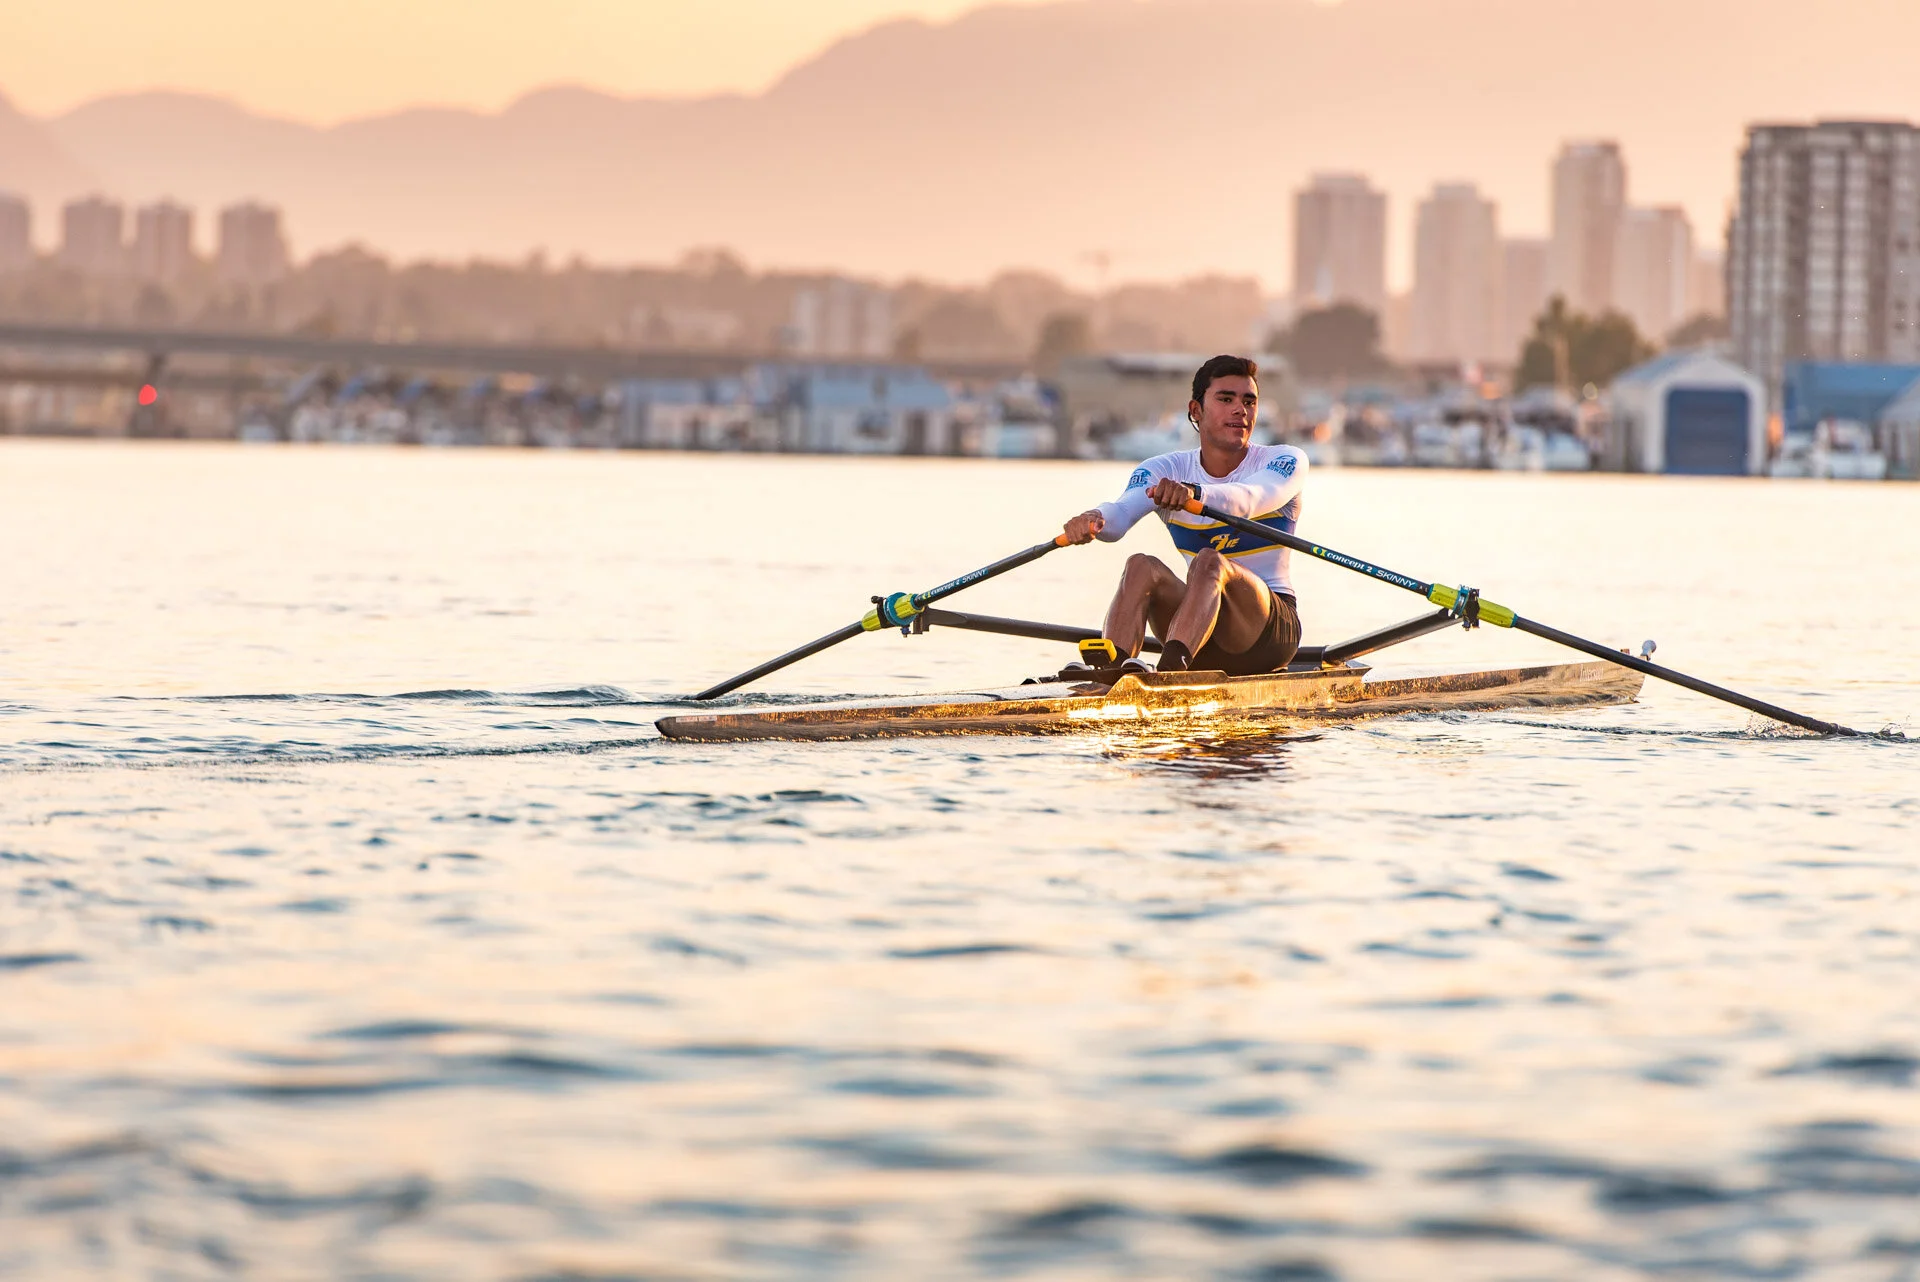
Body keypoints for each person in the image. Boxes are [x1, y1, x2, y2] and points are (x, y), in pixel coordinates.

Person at [1061, 354, 1306, 675]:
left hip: (1268, 634)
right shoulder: (1164, 468)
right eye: (1226, 399)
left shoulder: (1284, 461)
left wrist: (1195, 493)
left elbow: (1249, 499)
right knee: (1140, 566)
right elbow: (1120, 515)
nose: (1240, 410)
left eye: (1249, 401)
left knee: (1209, 561)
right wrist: (1094, 519)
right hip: (1200, 631)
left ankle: (1168, 674)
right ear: (1196, 411)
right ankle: (1111, 671)